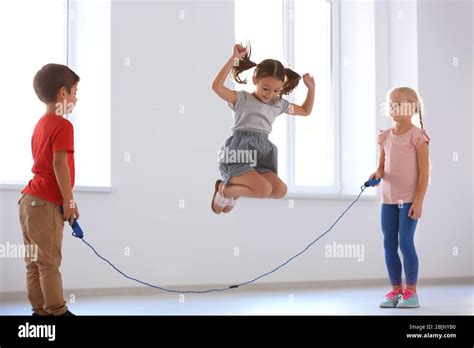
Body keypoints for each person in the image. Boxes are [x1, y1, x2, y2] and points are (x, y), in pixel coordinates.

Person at [211, 43, 315, 214]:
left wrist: (311, 89)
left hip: (262, 153)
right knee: (263, 190)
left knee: (280, 190)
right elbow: (217, 87)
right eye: (265, 88)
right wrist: (234, 59)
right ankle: (225, 189)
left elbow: (305, 111)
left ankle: (235, 189)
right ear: (255, 80)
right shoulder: (242, 99)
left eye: (276, 90)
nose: (270, 94)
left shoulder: (278, 104)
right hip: (240, 151)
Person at [18, 63, 80, 316]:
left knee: (34, 263)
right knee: (49, 263)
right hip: (45, 203)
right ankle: (58, 312)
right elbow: (59, 164)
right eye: (75, 92)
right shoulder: (63, 125)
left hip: (27, 201)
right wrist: (69, 201)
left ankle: (40, 312)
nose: (77, 98)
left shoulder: (40, 124)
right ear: (63, 93)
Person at [368, 86, 430, 308]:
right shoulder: (385, 137)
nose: (392, 107)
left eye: (398, 103)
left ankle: (411, 292)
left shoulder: (418, 137)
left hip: (409, 200)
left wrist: (419, 201)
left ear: (412, 108)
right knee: (389, 243)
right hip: (388, 200)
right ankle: (395, 291)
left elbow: (425, 172)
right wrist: (376, 175)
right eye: (390, 103)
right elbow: (381, 168)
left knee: (405, 242)